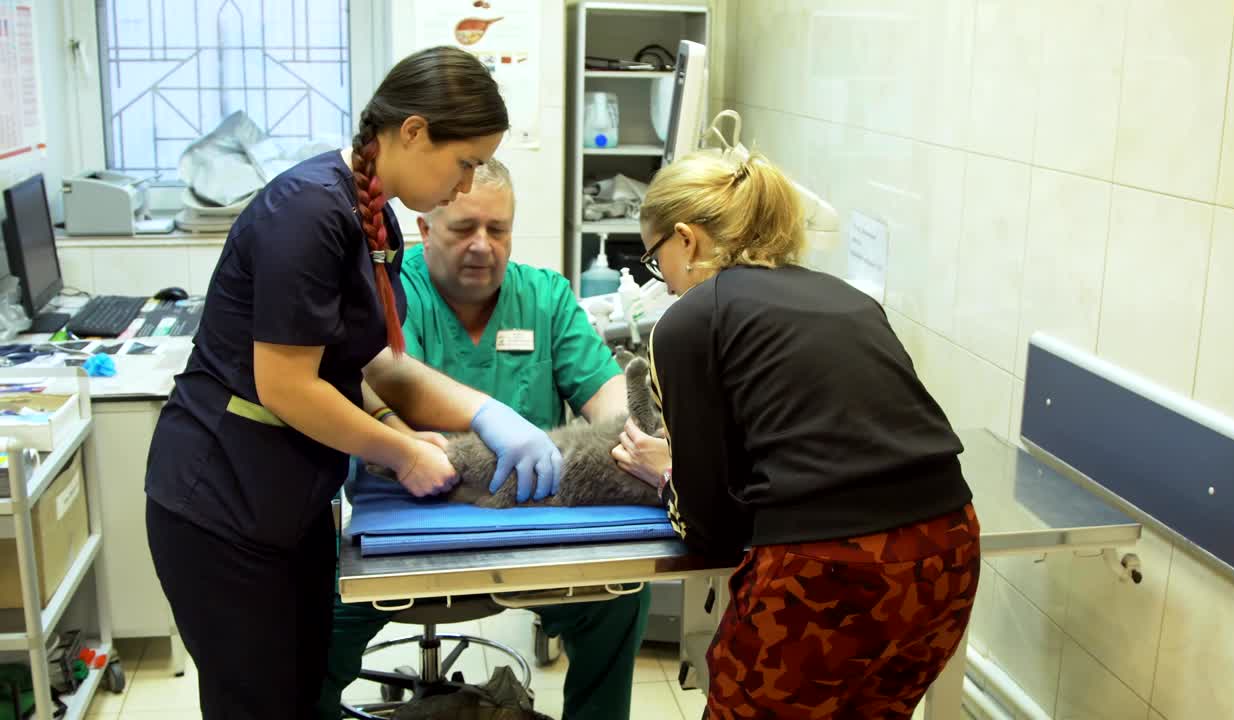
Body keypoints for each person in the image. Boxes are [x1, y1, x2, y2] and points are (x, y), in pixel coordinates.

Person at [144, 47, 566, 719]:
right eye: (464, 163)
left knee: (301, 689)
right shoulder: (306, 213)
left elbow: (380, 363)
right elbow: (285, 386)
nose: (465, 186)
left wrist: (486, 413)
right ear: (415, 131)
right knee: (258, 701)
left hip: (290, 500)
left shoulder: (374, 217)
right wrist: (399, 452)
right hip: (221, 502)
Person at [617, 149, 982, 719]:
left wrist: (669, 472)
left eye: (654, 259)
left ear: (686, 240)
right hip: (949, 554)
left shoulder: (690, 319)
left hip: (830, 570)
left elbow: (710, 529)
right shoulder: (847, 298)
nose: (661, 284)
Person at [319, 158, 655, 720]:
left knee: (619, 602)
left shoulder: (544, 297)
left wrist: (637, 439)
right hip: (409, 523)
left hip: (535, 520)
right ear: (425, 229)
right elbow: (367, 390)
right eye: (463, 229)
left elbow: (607, 397)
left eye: (498, 230)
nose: (483, 246)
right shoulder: (393, 295)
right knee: (318, 625)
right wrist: (409, 446)